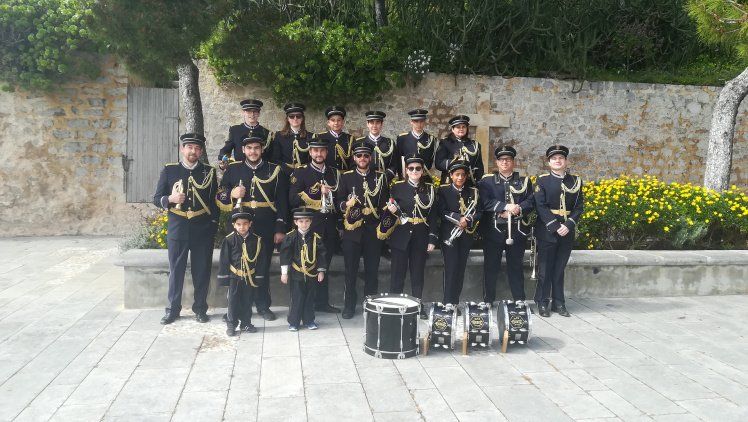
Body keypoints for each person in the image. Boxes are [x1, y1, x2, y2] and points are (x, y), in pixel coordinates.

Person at [216, 132, 289, 321]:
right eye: (249, 148)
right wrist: (232, 194)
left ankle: (263, 306)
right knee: (238, 267)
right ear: (243, 150)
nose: (253, 151)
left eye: (257, 148)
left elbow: (282, 202)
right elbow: (221, 194)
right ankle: (236, 307)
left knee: (262, 267)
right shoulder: (233, 169)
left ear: (262, 149)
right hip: (240, 227)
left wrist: (280, 228)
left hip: (266, 226)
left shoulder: (274, 170)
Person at [153, 133, 219, 324]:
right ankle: (172, 310)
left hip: (202, 229)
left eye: (197, 148)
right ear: (182, 149)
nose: (193, 151)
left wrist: (213, 226)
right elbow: (156, 198)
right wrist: (170, 199)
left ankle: (200, 309)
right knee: (176, 270)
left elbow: (214, 203)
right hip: (178, 227)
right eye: (190, 147)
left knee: (202, 271)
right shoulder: (170, 170)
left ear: (201, 151)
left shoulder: (209, 172)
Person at [379, 155, 438, 319]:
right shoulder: (397, 187)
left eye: (418, 168)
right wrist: (390, 211)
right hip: (400, 235)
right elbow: (389, 211)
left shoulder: (429, 189)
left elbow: (433, 216)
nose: (414, 171)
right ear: (406, 170)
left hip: (421, 236)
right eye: (411, 168)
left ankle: (417, 306)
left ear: (422, 171)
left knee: (417, 275)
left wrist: (432, 238)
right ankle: (394, 307)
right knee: (397, 274)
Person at [336, 142, 389, 319]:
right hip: (352, 231)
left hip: (373, 231)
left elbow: (384, 203)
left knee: (372, 271)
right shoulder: (346, 177)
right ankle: (349, 306)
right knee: (350, 271)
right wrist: (346, 204)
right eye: (359, 155)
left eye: (366, 155)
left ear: (370, 158)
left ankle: (370, 305)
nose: (362, 158)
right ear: (354, 158)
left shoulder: (380, 177)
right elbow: (338, 202)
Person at [288, 138, 341, 313]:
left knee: (324, 266)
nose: (319, 154)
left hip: (329, 228)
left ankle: (322, 303)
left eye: (322, 150)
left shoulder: (334, 172)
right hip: (309, 229)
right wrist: (317, 191)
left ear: (326, 153)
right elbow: (292, 199)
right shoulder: (301, 172)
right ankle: (304, 305)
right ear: (310, 152)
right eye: (315, 151)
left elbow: (339, 200)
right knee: (306, 266)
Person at [478, 145, 534, 304]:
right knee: (490, 267)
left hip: (516, 231)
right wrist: (504, 207)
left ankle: (519, 300)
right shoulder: (487, 181)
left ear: (513, 162)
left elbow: (531, 201)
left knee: (516, 266)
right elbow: (484, 202)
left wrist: (517, 209)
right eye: (501, 159)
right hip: (493, 231)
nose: (504, 162)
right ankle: (488, 300)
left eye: (508, 159)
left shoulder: (524, 181)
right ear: (497, 162)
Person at [533, 144, 584, 317]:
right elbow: (540, 206)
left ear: (566, 161)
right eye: (554, 158)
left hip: (567, 231)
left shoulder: (575, 181)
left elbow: (579, 207)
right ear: (549, 162)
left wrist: (568, 225)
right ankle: (542, 302)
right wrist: (555, 226)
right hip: (547, 231)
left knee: (559, 268)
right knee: (545, 269)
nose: (557, 161)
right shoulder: (542, 181)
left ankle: (559, 303)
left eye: (561, 158)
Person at [434, 158, 481, 310]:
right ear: (451, 175)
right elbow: (441, 211)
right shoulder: (443, 190)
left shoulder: (473, 192)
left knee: (460, 269)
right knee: (451, 267)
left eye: (463, 175)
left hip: (466, 235)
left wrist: (468, 219)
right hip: (449, 235)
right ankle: (447, 301)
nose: (460, 177)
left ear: (466, 176)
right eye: (457, 174)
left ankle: (454, 302)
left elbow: (479, 211)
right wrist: (457, 218)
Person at [280, 207, 328, 331]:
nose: (304, 224)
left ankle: (309, 320)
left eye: (307, 221)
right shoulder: (290, 237)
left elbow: (321, 254)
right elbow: (285, 256)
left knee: (310, 297)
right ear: (296, 222)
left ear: (311, 222)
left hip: (311, 273)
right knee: (297, 297)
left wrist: (321, 271)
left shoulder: (316, 238)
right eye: (301, 221)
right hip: (296, 273)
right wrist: (284, 273)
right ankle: (294, 322)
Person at [217, 210, 264, 336]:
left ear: (250, 224)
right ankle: (231, 324)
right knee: (232, 301)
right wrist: (224, 278)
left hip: (249, 277)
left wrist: (259, 276)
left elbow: (261, 260)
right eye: (238, 224)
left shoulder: (257, 240)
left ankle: (246, 323)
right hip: (235, 276)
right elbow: (224, 260)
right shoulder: (229, 240)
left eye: (245, 224)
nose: (242, 227)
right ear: (234, 225)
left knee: (247, 301)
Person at [218, 99, 271, 168]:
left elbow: (269, 155)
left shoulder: (266, 132)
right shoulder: (235, 130)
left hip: (260, 169)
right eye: (249, 111)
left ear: (259, 113)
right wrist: (223, 161)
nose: (252, 114)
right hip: (240, 169)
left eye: (255, 111)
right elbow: (226, 149)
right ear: (243, 112)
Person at [434, 115, 484, 185]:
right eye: (458, 127)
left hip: (469, 183)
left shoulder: (475, 145)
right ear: (452, 129)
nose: (461, 129)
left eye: (464, 127)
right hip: (450, 183)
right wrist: (455, 162)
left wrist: (479, 183)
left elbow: (479, 167)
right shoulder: (445, 143)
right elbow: (439, 163)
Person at [392, 109, 437, 180]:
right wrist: (401, 177)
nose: (419, 124)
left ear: (424, 122)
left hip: (424, 177)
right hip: (407, 177)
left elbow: (430, 160)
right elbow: (399, 159)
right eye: (416, 121)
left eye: (421, 121)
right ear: (411, 122)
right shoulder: (402, 138)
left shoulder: (431, 139)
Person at [271, 102, 312, 176]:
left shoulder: (311, 136)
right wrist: (289, 171)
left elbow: (312, 159)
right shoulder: (279, 136)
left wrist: (303, 171)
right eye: (291, 116)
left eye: (298, 116)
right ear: (287, 119)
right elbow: (275, 159)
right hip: (284, 174)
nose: (295, 118)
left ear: (302, 118)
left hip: (305, 174)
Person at [356, 111, 398, 181]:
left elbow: (394, 165)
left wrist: (384, 177)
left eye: (377, 122)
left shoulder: (389, 143)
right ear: (367, 124)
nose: (374, 126)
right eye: (372, 122)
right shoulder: (359, 142)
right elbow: (354, 164)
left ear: (382, 124)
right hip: (364, 181)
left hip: (384, 180)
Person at [312, 106, 353, 171]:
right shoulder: (320, 137)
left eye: (339, 120)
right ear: (328, 123)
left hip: (345, 175)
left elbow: (353, 160)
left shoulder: (349, 139)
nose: (336, 123)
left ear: (343, 122)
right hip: (326, 174)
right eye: (333, 120)